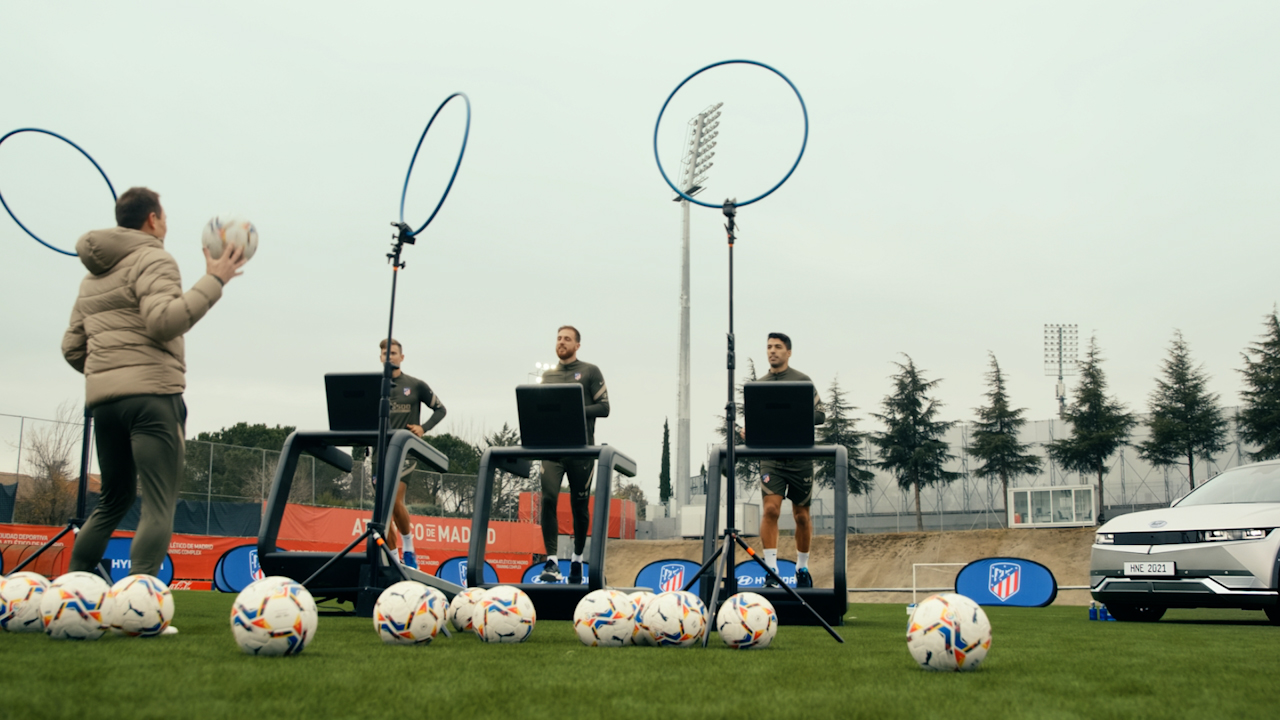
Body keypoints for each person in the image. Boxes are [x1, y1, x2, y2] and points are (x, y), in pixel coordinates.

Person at [62, 187, 246, 630]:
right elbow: (164, 321)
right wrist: (214, 279)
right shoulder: (154, 258)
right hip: (152, 399)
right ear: (152, 219)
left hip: (104, 405)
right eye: (164, 216)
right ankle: (139, 611)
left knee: (113, 499)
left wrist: (110, 373)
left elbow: (71, 348)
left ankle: (68, 597)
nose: (166, 223)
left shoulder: (92, 277)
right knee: (159, 503)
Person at [537, 325, 609, 583]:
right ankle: (552, 561)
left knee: (579, 506)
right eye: (558, 338)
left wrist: (573, 408)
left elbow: (604, 408)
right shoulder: (548, 376)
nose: (561, 342)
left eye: (567, 339)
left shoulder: (590, 371)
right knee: (548, 498)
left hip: (581, 450)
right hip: (552, 449)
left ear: (577, 345)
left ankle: (577, 559)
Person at [756, 332, 825, 588]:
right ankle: (771, 571)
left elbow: (821, 415)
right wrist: (748, 430)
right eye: (769, 347)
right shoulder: (760, 385)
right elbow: (755, 419)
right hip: (771, 459)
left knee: (801, 516)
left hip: (800, 458)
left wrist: (792, 414)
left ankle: (802, 568)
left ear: (788, 352)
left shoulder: (802, 381)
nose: (772, 351)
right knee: (771, 510)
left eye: (777, 347)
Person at [376, 338, 446, 569]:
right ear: (380, 357)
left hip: (405, 451)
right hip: (379, 453)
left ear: (402, 357)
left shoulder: (415, 385)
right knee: (383, 511)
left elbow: (440, 409)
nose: (389, 357)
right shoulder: (375, 386)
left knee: (394, 499)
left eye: (393, 353)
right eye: (385, 353)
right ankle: (394, 560)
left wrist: (423, 428)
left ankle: (409, 548)